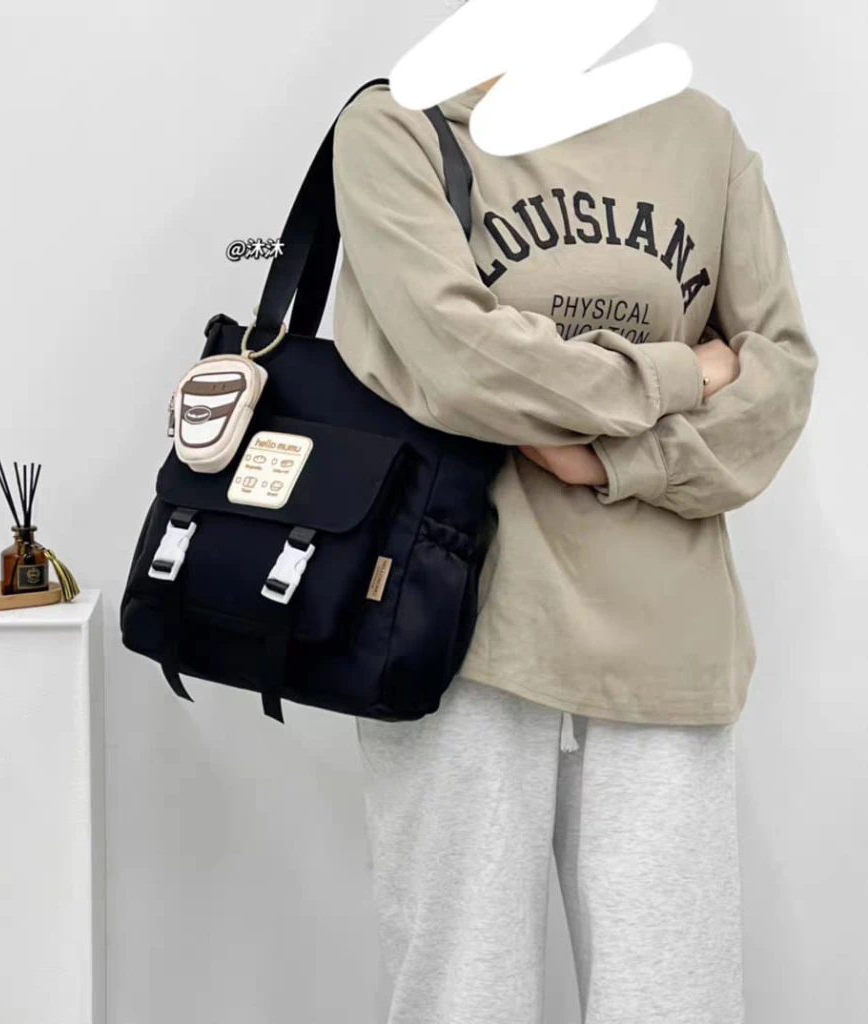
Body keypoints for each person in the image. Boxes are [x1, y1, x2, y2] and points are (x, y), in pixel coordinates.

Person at [330, 68, 818, 1024]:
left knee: (675, 1003)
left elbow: (779, 378)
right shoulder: (398, 126)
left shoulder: (701, 134)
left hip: (666, 641)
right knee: (459, 1000)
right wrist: (683, 372)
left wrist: (611, 461)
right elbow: (460, 359)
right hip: (458, 635)